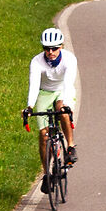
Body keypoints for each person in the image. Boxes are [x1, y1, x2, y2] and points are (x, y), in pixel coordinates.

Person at [24, 26, 81, 170]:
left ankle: (70, 146)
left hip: (62, 90)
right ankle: (46, 173)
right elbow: (34, 85)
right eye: (47, 48)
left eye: (54, 48)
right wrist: (30, 106)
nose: (50, 52)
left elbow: (68, 84)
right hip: (45, 92)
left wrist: (67, 104)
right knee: (44, 135)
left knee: (61, 110)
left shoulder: (69, 59)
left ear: (61, 46)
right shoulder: (36, 62)